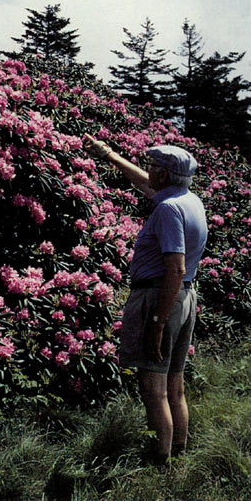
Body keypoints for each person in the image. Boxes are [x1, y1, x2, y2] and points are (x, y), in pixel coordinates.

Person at [85, 134, 207, 467]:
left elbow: (175, 267)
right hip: (185, 297)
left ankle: (158, 462)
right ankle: (178, 453)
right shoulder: (188, 199)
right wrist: (108, 154)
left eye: (152, 166)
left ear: (164, 175)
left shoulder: (168, 209)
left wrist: (156, 323)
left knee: (153, 387)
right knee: (174, 383)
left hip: (160, 296)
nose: (148, 170)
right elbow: (143, 181)